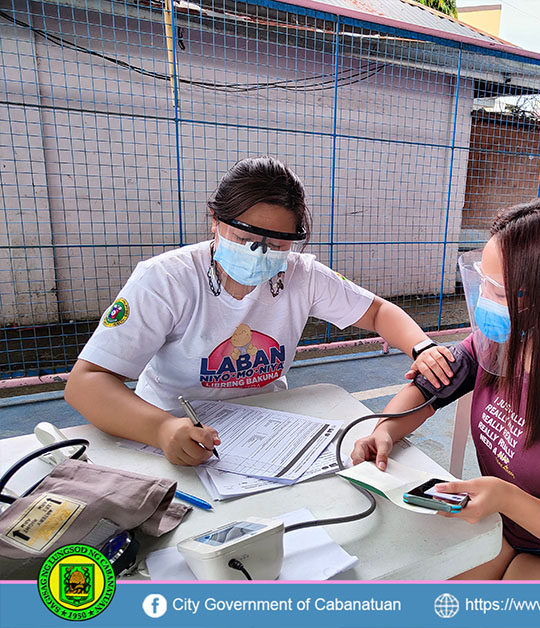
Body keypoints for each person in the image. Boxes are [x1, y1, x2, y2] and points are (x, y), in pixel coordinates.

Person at [65, 156, 455, 466]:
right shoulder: (166, 279)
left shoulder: (301, 275)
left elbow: (377, 312)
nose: (261, 253)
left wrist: (422, 348)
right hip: (176, 426)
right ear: (215, 221)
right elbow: (87, 382)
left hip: (267, 425)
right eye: (246, 238)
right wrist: (162, 429)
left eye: (278, 243)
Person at [351, 199, 540, 581]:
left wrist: (506, 498)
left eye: (497, 291)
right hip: (505, 529)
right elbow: (430, 387)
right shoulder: (499, 341)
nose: (481, 300)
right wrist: (385, 431)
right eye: (482, 283)